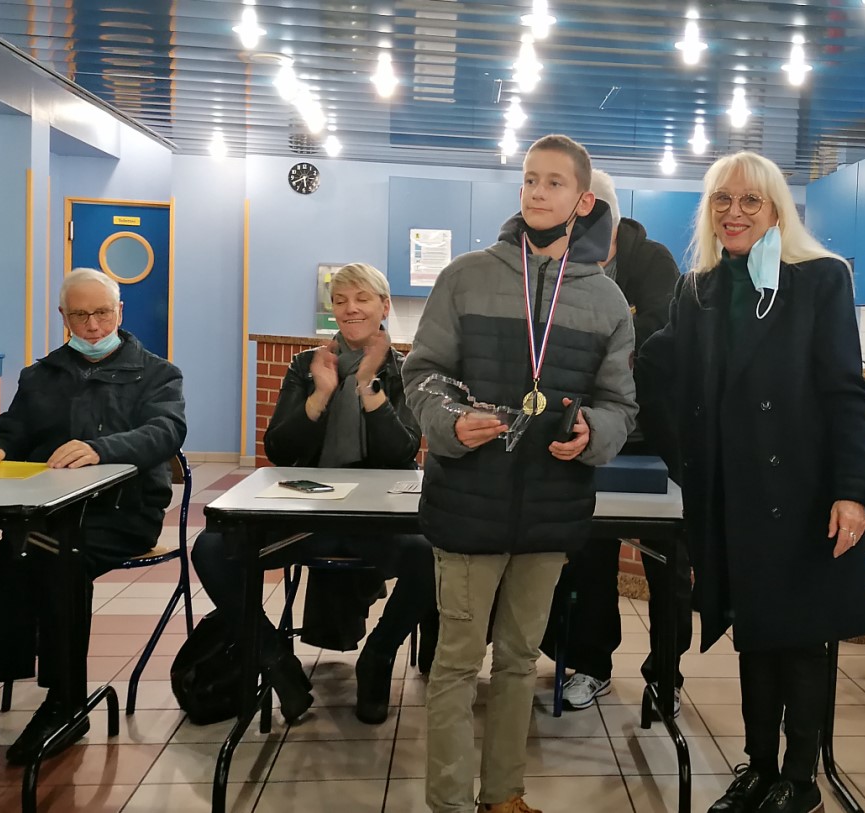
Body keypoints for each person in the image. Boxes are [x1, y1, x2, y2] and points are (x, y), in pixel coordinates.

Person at [635, 151, 865, 813]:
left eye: (750, 200)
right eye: (722, 200)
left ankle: (800, 780)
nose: (734, 212)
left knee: (799, 638)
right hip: (733, 496)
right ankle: (760, 767)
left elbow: (846, 392)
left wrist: (852, 489)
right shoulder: (699, 289)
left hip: (803, 494)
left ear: (776, 210)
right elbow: (653, 368)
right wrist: (682, 458)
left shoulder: (821, 277)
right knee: (755, 635)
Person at [404, 134, 638, 813]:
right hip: (467, 501)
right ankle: (450, 801)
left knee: (518, 661)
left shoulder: (608, 302)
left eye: (554, 182)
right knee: (455, 663)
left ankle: (503, 793)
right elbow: (422, 374)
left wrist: (594, 432)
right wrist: (450, 422)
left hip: (551, 510)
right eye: (530, 179)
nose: (537, 191)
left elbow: (620, 405)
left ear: (583, 201)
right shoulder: (466, 277)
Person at [0, 268, 187, 766]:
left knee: (61, 561)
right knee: (2, 562)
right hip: (51, 512)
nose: (93, 325)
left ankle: (66, 702)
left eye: (102, 313)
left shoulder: (156, 373)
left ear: (120, 311)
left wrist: (101, 449)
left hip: (122, 513)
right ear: (63, 316)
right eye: (80, 315)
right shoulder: (42, 374)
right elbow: (13, 429)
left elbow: (166, 432)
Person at [191, 261, 431, 726]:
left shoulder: (406, 369)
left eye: (361, 299)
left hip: (378, 521)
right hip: (310, 517)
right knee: (212, 548)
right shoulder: (306, 366)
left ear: (384, 306)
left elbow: (401, 451)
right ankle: (275, 660)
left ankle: (379, 656)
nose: (350, 309)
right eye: (340, 301)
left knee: (434, 552)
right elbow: (279, 449)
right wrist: (320, 395)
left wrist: (368, 387)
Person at [540, 169, 691, 712]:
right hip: (590, 430)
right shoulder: (562, 264)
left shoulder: (652, 260)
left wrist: (593, 342)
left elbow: (655, 336)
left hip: (656, 437)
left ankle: (666, 675)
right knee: (588, 556)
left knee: (667, 565)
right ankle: (592, 665)